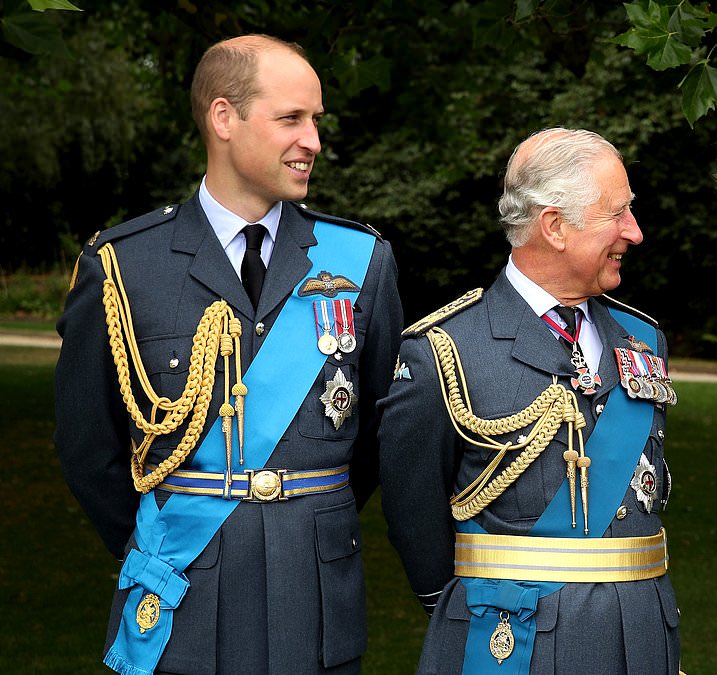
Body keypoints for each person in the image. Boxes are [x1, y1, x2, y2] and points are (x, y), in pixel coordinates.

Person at [54, 34, 403, 674]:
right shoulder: (125, 264)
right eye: (291, 119)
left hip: (315, 599)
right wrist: (156, 546)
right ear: (224, 118)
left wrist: (308, 519)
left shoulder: (360, 262)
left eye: (316, 121)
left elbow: (379, 432)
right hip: (183, 598)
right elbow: (86, 444)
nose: (314, 142)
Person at [377, 127, 681, 674]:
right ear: (555, 227)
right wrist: (467, 610)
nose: (634, 232)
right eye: (619, 213)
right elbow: (413, 518)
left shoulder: (642, 338)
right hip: (512, 638)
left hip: (640, 633)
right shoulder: (445, 350)